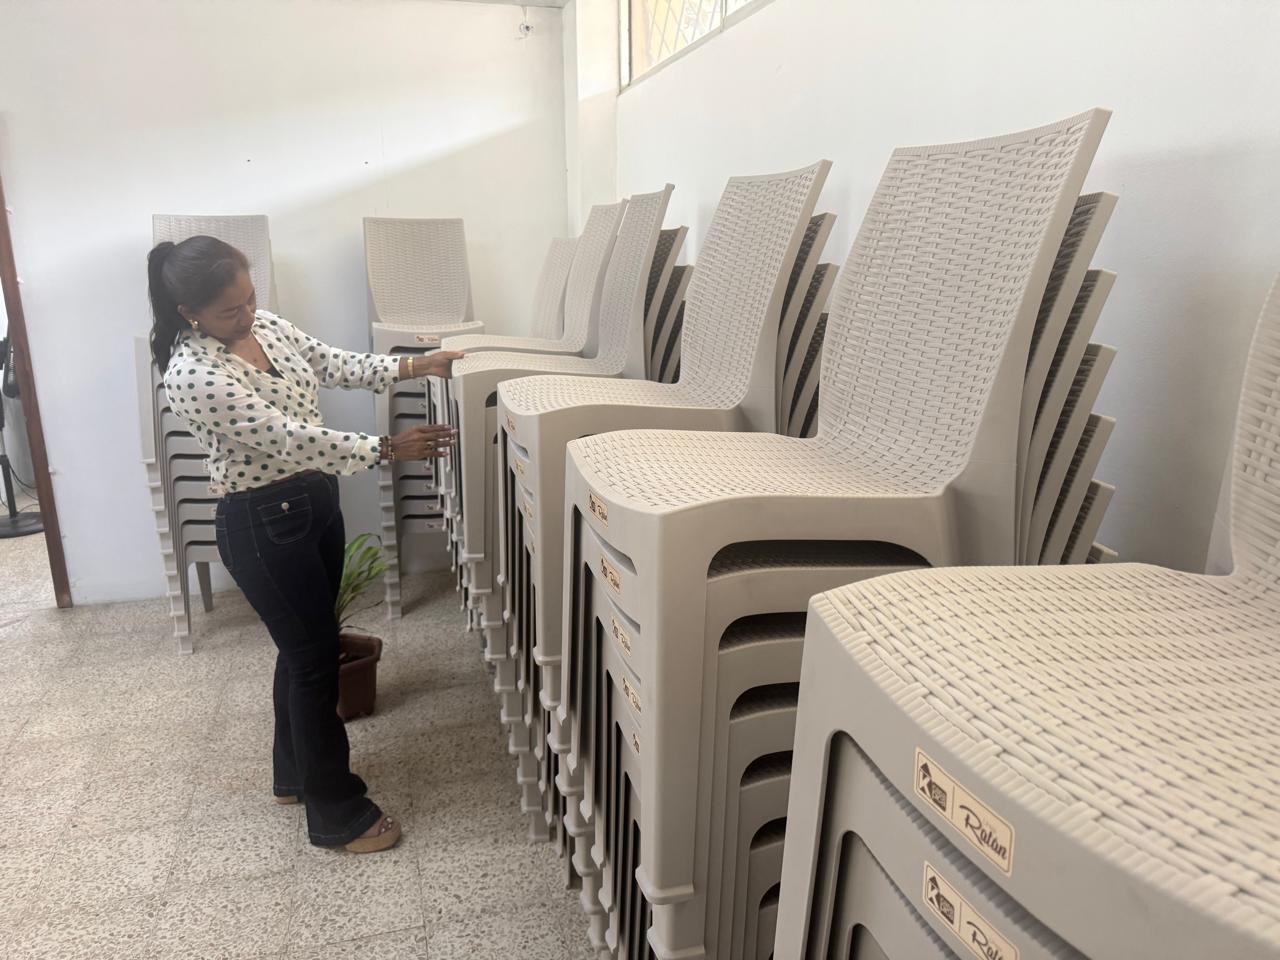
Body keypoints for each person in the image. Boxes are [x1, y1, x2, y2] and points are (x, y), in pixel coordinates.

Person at [147, 235, 460, 853]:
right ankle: (336, 813)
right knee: (314, 663)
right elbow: (286, 438)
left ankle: (292, 776)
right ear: (191, 313)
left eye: (249, 299)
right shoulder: (192, 374)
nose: (247, 315)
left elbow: (332, 362)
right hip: (262, 523)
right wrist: (386, 448)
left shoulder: (265, 325)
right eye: (229, 311)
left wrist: (415, 365)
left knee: (302, 654)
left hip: (312, 502)